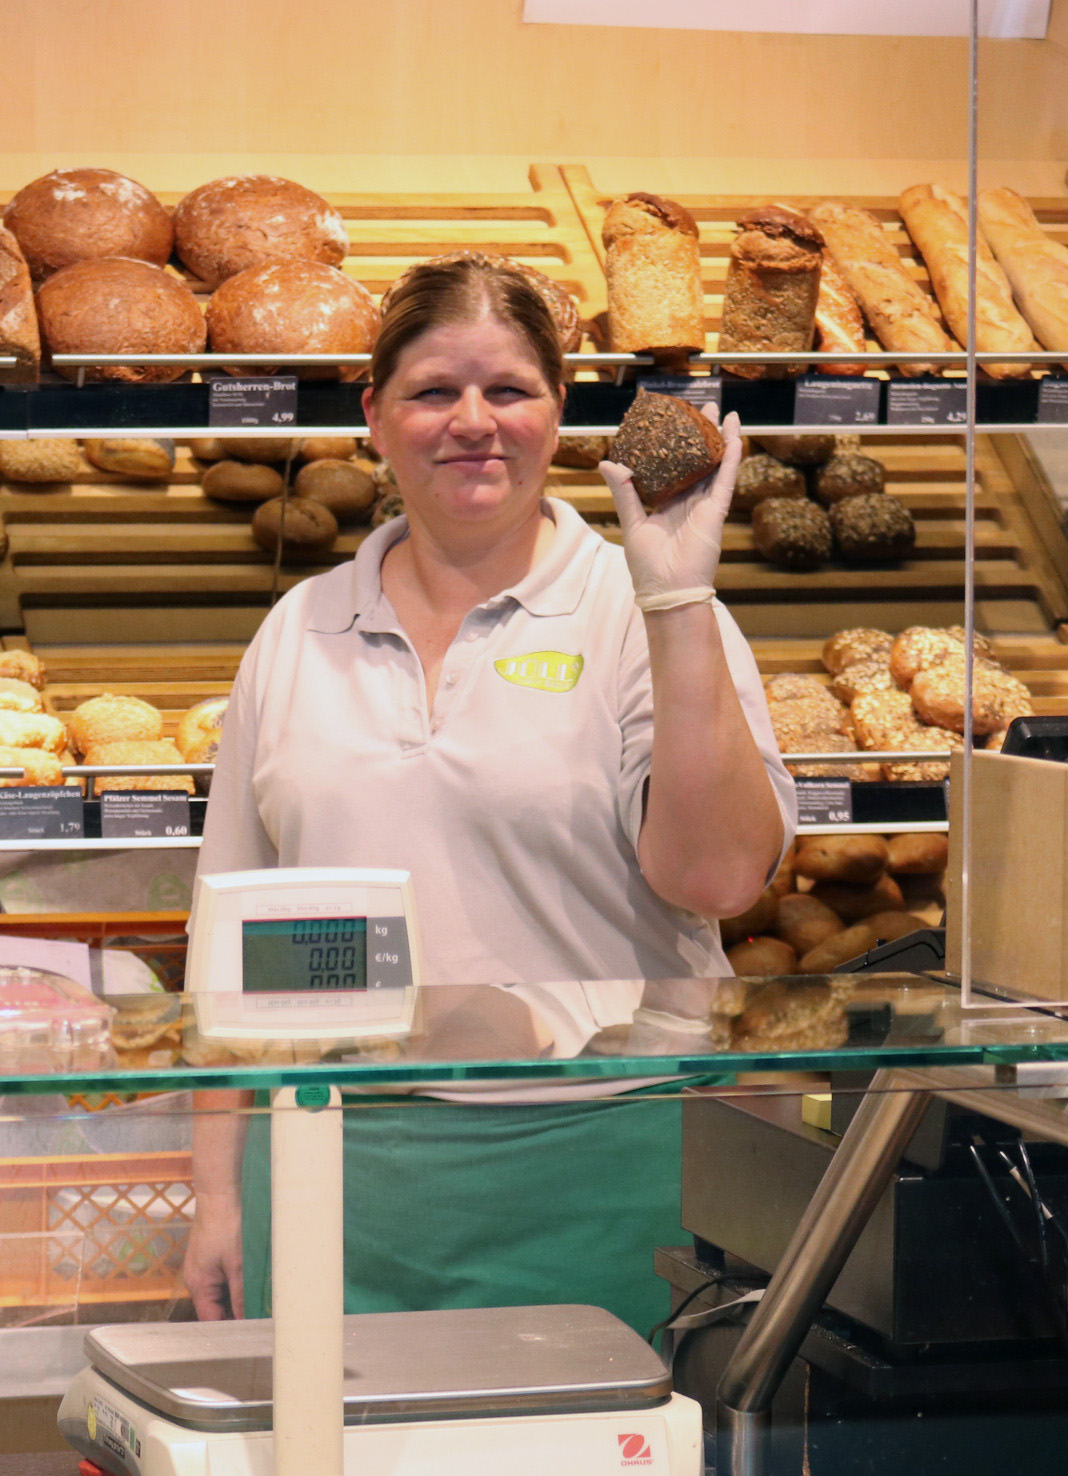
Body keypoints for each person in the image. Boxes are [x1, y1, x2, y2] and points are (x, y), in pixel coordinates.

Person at [180, 257, 793, 1330]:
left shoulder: (635, 608)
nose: (474, 422)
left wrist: (680, 597)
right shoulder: (299, 631)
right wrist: (219, 1191)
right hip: (339, 1167)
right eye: (432, 393)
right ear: (373, 416)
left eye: (510, 391)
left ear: (560, 413)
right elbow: (226, 939)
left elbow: (721, 877)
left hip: (606, 1156)